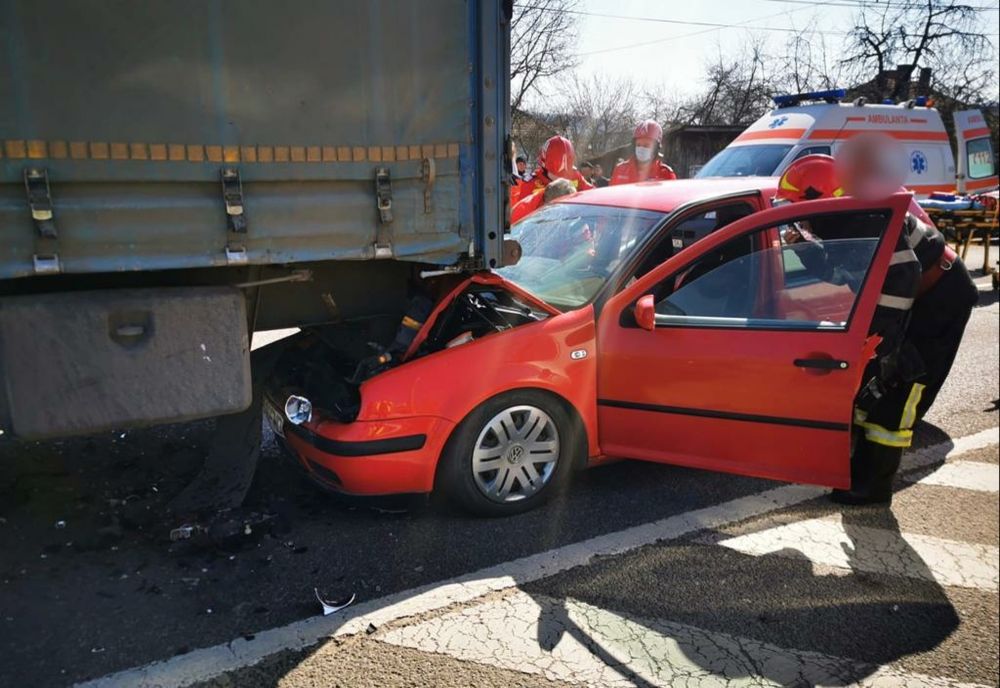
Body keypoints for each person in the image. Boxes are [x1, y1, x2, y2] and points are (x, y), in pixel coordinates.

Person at [776, 154, 978, 506]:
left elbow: (903, 276)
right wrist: (803, 249)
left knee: (902, 386)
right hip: (921, 295)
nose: (803, 219)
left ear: (821, 196)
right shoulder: (846, 218)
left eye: (800, 207)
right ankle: (858, 470)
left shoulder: (865, 216)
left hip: (941, 297)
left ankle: (874, 486)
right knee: (875, 384)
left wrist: (885, 340)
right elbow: (844, 272)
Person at [511, 135, 593, 223]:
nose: (561, 179)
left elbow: (594, 195)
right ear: (544, 167)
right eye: (556, 174)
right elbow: (517, 218)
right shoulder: (529, 184)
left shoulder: (576, 176)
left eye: (565, 175)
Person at [610, 120, 677, 185]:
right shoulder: (620, 170)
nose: (641, 149)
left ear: (656, 148)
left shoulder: (666, 174)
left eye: (646, 145)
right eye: (638, 145)